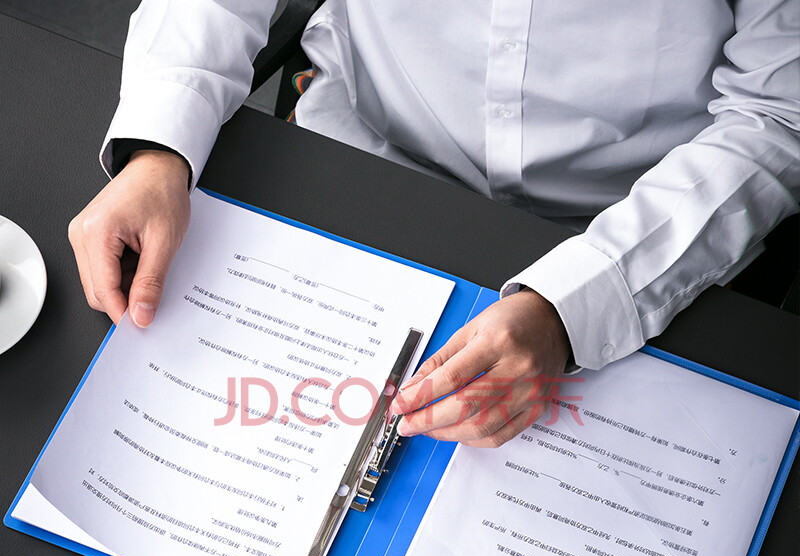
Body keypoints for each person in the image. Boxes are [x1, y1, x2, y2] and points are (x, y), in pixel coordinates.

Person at [69, 0, 800, 447]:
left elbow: (777, 116)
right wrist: (158, 149)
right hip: (361, 147)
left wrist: (571, 310)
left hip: (635, 228)